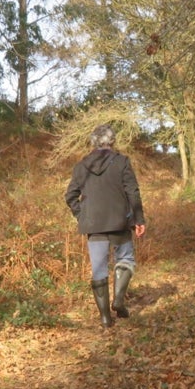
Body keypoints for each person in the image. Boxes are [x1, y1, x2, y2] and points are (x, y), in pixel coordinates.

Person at [64, 124, 147, 327]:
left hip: (93, 225)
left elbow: (70, 195)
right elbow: (132, 192)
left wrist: (82, 214)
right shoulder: (122, 162)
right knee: (125, 259)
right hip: (120, 221)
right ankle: (118, 300)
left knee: (99, 268)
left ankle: (104, 318)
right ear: (112, 141)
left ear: (93, 142)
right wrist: (139, 219)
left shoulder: (81, 166)